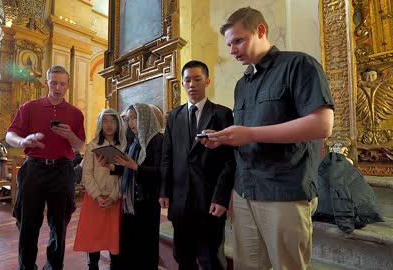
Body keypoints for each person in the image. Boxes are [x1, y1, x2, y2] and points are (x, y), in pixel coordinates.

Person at [201, 7, 335, 269]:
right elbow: (246, 136)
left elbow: (322, 125)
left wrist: (249, 133)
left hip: (282, 190)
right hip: (244, 190)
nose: (232, 50)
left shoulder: (298, 65)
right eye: (229, 44)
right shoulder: (243, 83)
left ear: (260, 31)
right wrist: (223, 139)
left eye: (238, 41)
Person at [5, 65, 85, 270]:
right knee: (28, 223)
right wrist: (23, 141)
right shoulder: (30, 107)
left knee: (59, 224)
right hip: (34, 169)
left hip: (62, 170)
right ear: (47, 82)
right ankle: (26, 266)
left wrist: (70, 136)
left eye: (63, 83)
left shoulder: (76, 114)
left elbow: (79, 146)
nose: (58, 87)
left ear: (68, 85)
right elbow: (9, 135)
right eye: (54, 82)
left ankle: (54, 266)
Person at [159, 60, 235, 270]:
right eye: (187, 80)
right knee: (183, 257)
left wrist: (221, 198)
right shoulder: (174, 115)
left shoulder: (222, 114)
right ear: (182, 84)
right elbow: (167, 155)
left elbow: (229, 160)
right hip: (180, 199)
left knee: (211, 258)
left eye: (197, 79)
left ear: (207, 81)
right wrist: (164, 190)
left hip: (209, 199)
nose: (192, 84)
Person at [111, 103, 163, 270]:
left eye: (135, 118)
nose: (132, 123)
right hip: (130, 202)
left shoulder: (157, 141)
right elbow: (128, 167)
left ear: (145, 118)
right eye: (129, 118)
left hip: (147, 202)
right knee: (129, 246)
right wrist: (113, 166)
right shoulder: (134, 141)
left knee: (146, 249)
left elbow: (161, 172)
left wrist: (136, 168)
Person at [73, 108, 126, 270]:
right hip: (94, 199)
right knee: (93, 238)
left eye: (112, 121)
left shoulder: (124, 146)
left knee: (114, 239)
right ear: (100, 123)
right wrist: (97, 196)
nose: (109, 125)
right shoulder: (93, 145)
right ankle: (93, 265)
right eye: (105, 121)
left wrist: (114, 196)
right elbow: (86, 175)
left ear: (118, 124)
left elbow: (124, 176)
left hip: (114, 199)